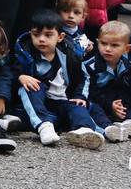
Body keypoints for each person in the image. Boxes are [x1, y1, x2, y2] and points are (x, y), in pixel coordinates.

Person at [11, 8, 105, 148]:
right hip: (40, 103)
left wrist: (80, 96)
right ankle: (44, 126)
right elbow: (9, 72)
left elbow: (83, 77)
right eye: (36, 34)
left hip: (63, 101)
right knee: (30, 87)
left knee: (78, 106)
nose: (41, 39)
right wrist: (20, 77)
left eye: (48, 35)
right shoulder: (25, 54)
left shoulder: (70, 55)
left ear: (60, 37)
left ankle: (83, 131)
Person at [81, 21, 131, 142]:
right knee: (94, 109)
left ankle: (130, 122)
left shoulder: (129, 64)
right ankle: (108, 128)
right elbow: (91, 92)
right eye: (104, 43)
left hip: (119, 98)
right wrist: (110, 105)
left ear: (127, 48)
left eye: (114, 45)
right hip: (100, 98)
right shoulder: (90, 66)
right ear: (97, 43)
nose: (108, 49)